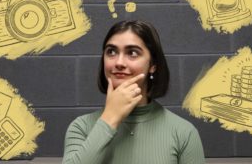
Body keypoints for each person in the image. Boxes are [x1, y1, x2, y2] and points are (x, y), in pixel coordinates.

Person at [62, 20, 205, 164]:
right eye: (111, 51)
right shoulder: (81, 127)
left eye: (132, 53)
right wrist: (110, 118)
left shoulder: (183, 132)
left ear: (153, 65)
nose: (119, 62)